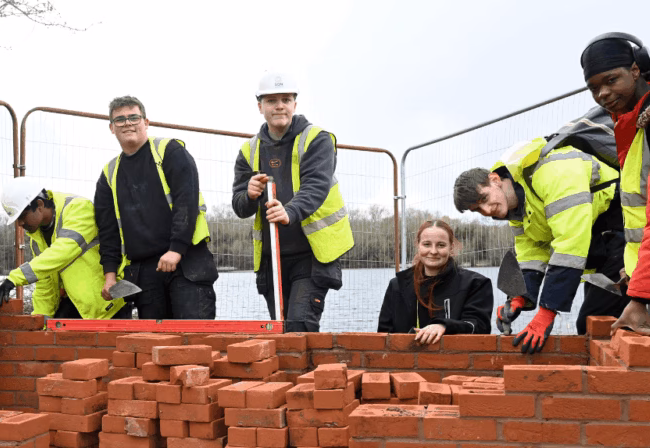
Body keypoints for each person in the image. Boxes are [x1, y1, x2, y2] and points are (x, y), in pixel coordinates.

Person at [454, 136, 624, 352]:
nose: (487, 211)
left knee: (598, 324)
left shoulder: (552, 172)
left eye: (484, 199)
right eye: (477, 210)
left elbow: (570, 243)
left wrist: (547, 311)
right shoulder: (516, 208)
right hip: (602, 250)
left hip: (627, 235)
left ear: (495, 179)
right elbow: (531, 252)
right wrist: (519, 297)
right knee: (595, 327)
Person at [232, 71, 354, 332]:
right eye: (272, 100)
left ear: (294, 105)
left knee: (299, 326)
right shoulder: (248, 150)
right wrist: (249, 195)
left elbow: (316, 186)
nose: (279, 106)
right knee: (279, 328)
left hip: (312, 254)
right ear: (260, 106)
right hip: (271, 258)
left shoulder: (317, 139)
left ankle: (307, 374)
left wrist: (290, 211)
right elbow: (239, 206)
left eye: (285, 99)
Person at [94, 96, 217, 320]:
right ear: (111, 128)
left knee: (194, 341)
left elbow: (186, 203)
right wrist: (110, 276)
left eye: (133, 117)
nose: (128, 123)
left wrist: (176, 249)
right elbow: (108, 230)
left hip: (186, 262)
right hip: (144, 272)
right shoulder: (109, 174)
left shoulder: (169, 151)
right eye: (120, 120)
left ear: (146, 122)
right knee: (155, 344)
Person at [581, 32, 650, 336]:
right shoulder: (633, 125)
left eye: (611, 80)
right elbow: (639, 212)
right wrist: (636, 269)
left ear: (636, 70)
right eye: (593, 88)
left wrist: (640, 296)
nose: (602, 94)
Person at [0, 177, 130, 319]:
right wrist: (40, 320)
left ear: (39, 205)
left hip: (109, 304)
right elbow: (45, 284)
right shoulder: (37, 240)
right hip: (79, 307)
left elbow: (64, 251)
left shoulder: (78, 209)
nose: (20, 223)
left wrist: (16, 278)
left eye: (23, 216)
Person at [377, 220, 493, 343]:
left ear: (451, 247)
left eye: (441, 245)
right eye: (427, 244)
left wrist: (443, 326)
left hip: (456, 360)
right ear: (418, 245)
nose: (433, 251)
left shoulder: (476, 284)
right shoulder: (397, 285)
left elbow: (479, 328)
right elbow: (384, 335)